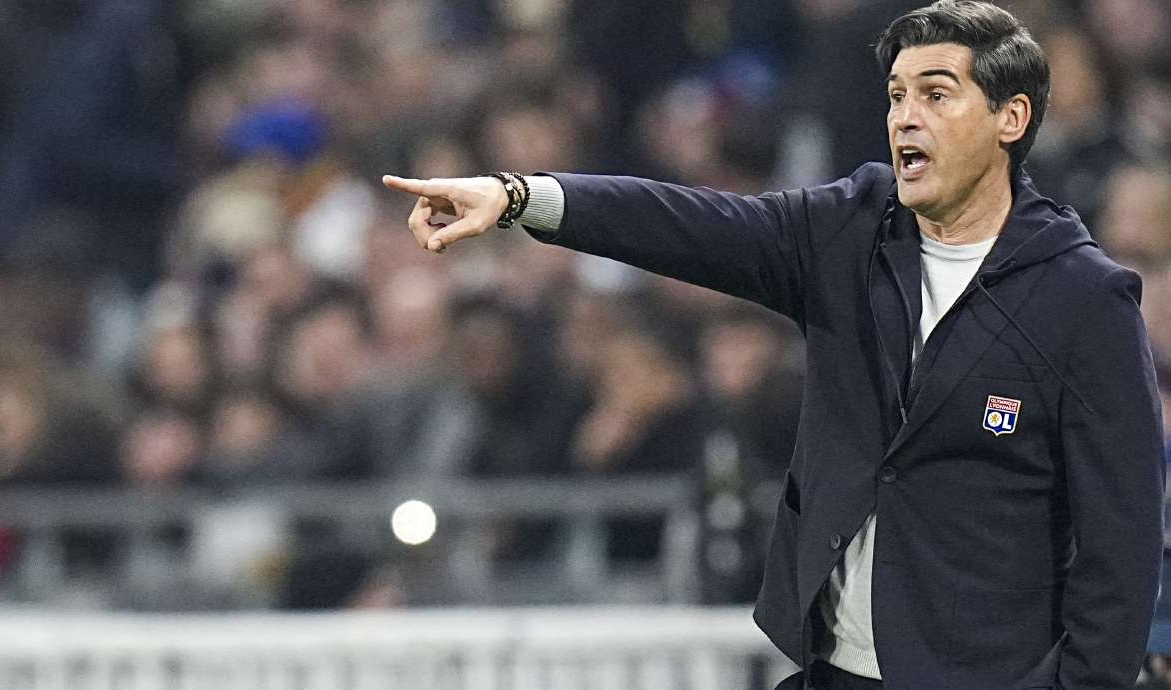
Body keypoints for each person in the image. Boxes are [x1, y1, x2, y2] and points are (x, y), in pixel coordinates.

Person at [382, 2, 1165, 688]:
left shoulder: (1083, 301)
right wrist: (522, 197)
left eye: (935, 94)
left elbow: (1122, 543)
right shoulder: (849, 229)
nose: (904, 118)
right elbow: (684, 224)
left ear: (1011, 119)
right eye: (896, 96)